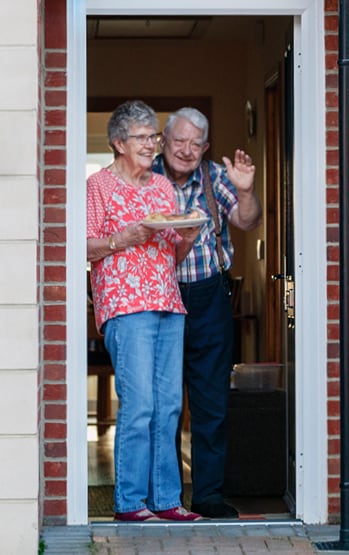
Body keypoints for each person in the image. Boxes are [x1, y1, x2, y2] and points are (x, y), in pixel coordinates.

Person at [86, 100, 203, 522]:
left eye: (154, 136)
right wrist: (125, 238)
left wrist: (188, 235)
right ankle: (130, 503)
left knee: (169, 404)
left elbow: (171, 253)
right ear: (119, 142)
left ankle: (167, 500)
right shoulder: (98, 185)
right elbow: (85, 245)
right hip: (125, 304)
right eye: (143, 137)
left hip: (168, 302)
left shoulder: (161, 188)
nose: (153, 144)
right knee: (139, 406)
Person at [152, 107, 262, 519]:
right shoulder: (146, 178)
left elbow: (248, 221)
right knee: (161, 403)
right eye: (178, 141)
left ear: (206, 147)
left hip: (208, 297)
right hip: (157, 297)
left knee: (211, 401)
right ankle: (160, 497)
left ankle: (208, 495)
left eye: (195, 143)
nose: (185, 150)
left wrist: (246, 190)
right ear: (164, 141)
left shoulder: (217, 177)